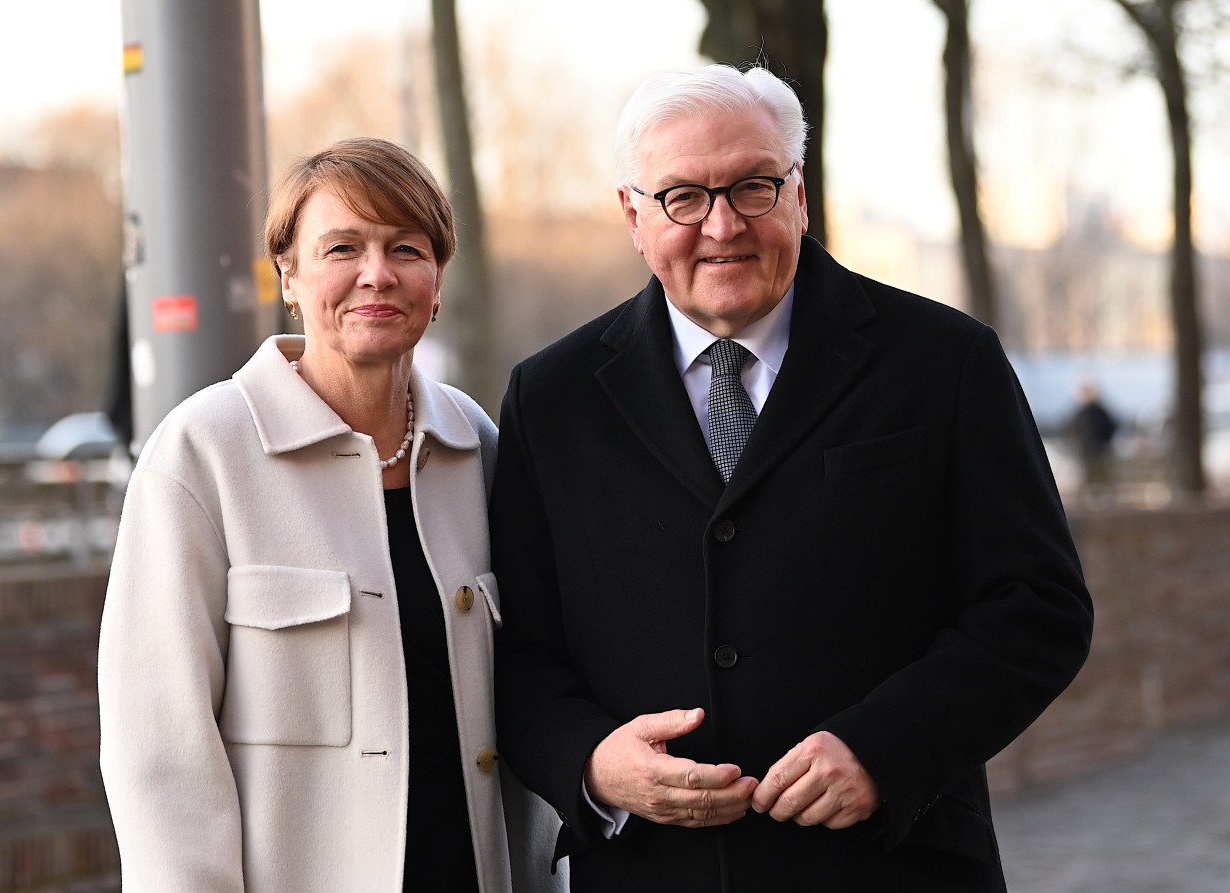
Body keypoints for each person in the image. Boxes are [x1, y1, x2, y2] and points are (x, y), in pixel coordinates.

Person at [490, 64, 1093, 891]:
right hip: (651, 873)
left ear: (799, 193)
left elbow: (1038, 608)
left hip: (894, 865)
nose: (722, 224)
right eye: (683, 197)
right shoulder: (550, 399)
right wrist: (595, 764)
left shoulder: (944, 363)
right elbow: (520, 654)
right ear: (631, 214)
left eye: (753, 186)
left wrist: (885, 748)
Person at [99, 137, 567, 893]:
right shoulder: (201, 452)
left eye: (405, 248)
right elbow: (160, 756)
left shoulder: (478, 445)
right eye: (343, 246)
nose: (376, 274)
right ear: (288, 273)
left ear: (437, 278)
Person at [1069, 376, 1119, 497]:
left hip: (1099, 450)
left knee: (1103, 477)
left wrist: (1104, 442)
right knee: (1086, 478)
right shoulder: (1081, 413)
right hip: (1086, 452)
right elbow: (1073, 430)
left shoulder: (1099, 411)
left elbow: (1111, 426)